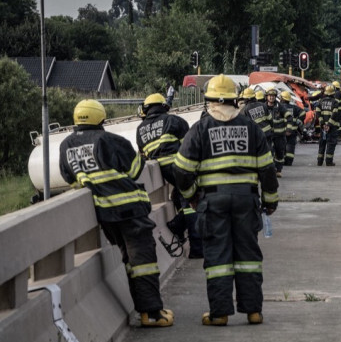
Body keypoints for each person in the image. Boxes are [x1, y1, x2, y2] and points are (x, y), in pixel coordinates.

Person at [173, 74, 279, 326]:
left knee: (218, 258)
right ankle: (253, 311)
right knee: (248, 256)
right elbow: (267, 169)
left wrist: (192, 197)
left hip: (213, 202)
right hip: (246, 201)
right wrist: (270, 201)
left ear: (209, 101)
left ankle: (219, 314)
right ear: (235, 100)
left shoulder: (200, 129)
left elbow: (181, 170)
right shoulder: (251, 128)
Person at [59, 99, 174, 327]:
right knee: (143, 261)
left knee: (130, 261)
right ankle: (152, 314)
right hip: (130, 209)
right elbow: (135, 169)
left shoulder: (65, 146)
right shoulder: (110, 140)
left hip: (106, 215)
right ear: (100, 118)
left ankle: (145, 311)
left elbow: (69, 178)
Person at [136, 93, 202, 258]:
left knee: (179, 195)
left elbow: (143, 154)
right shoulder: (174, 121)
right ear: (164, 106)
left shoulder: (140, 129)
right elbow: (189, 145)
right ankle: (194, 244)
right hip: (180, 166)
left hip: (163, 170)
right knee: (192, 201)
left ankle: (178, 228)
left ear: (146, 109)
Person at [265, 88, 292, 177]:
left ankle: (279, 170)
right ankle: (271, 170)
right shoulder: (263, 107)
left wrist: (288, 129)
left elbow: (289, 117)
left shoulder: (280, 107)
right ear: (267, 97)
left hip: (279, 135)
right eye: (270, 96)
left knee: (280, 153)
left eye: (273, 96)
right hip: (268, 135)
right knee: (269, 153)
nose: (271, 98)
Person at [315, 84, 341, 166]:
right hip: (332, 127)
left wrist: (323, 124)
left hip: (323, 128)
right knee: (331, 144)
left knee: (322, 143)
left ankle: (319, 161)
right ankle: (329, 162)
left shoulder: (320, 101)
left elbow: (318, 113)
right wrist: (329, 125)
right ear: (333, 93)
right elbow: (334, 114)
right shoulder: (335, 102)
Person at [280, 91, 305, 166]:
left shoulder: (279, 107)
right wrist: (299, 120)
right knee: (290, 145)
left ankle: (282, 160)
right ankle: (289, 161)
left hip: (281, 130)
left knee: (282, 145)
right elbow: (303, 112)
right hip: (292, 130)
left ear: (282, 98)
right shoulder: (294, 107)